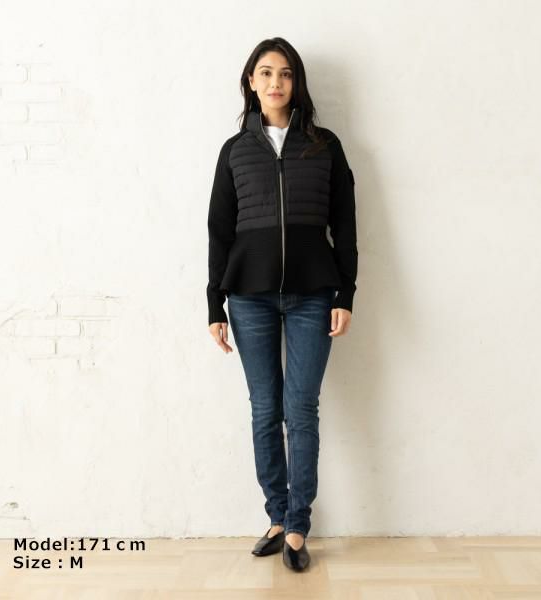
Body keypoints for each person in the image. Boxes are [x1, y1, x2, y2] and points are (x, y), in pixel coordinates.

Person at [206, 37, 358, 572]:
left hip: (314, 294)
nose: (276, 82)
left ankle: (297, 526)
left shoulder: (324, 145)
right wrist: (214, 304)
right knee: (265, 409)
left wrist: (346, 293)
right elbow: (219, 231)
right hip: (248, 298)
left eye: (286, 73)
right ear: (251, 81)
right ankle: (275, 515)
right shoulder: (234, 150)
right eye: (266, 72)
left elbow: (345, 224)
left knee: (301, 409)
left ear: (297, 83)